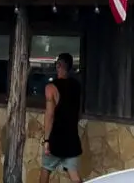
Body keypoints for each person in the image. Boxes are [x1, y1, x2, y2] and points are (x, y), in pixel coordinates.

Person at [40, 53, 83, 183]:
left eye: (56, 64)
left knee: (45, 170)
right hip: (72, 139)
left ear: (59, 65)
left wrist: (47, 141)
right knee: (74, 174)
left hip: (56, 140)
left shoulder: (50, 88)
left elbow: (50, 115)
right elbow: (78, 112)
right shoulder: (76, 86)